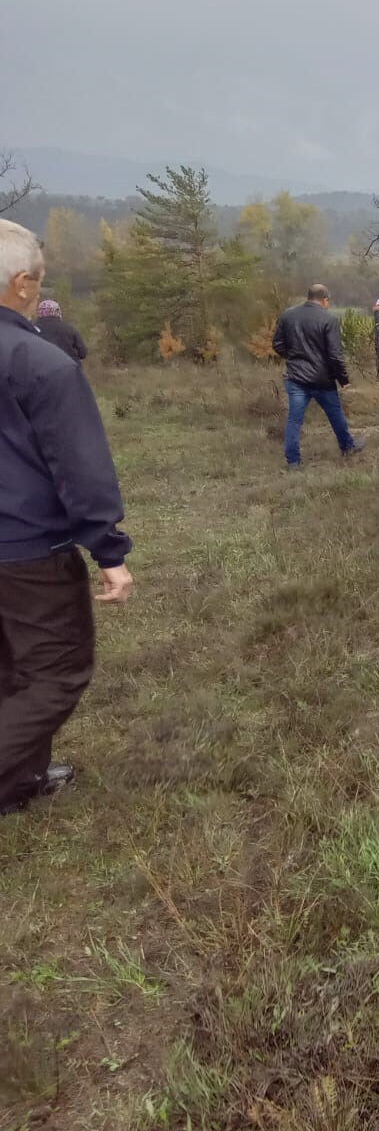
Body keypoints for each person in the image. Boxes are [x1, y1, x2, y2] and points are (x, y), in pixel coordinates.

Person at [0, 219, 134, 816]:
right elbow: (79, 466)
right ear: (25, 284)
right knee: (56, 670)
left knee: (10, 665)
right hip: (27, 551)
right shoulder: (40, 362)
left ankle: (17, 781)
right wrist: (108, 549)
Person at [274, 284, 366, 467]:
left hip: (296, 378)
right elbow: (335, 354)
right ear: (325, 300)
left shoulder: (288, 315)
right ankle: (347, 447)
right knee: (336, 414)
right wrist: (343, 379)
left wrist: (293, 357)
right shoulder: (329, 319)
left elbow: (277, 344)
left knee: (294, 420)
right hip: (322, 379)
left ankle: (293, 461)